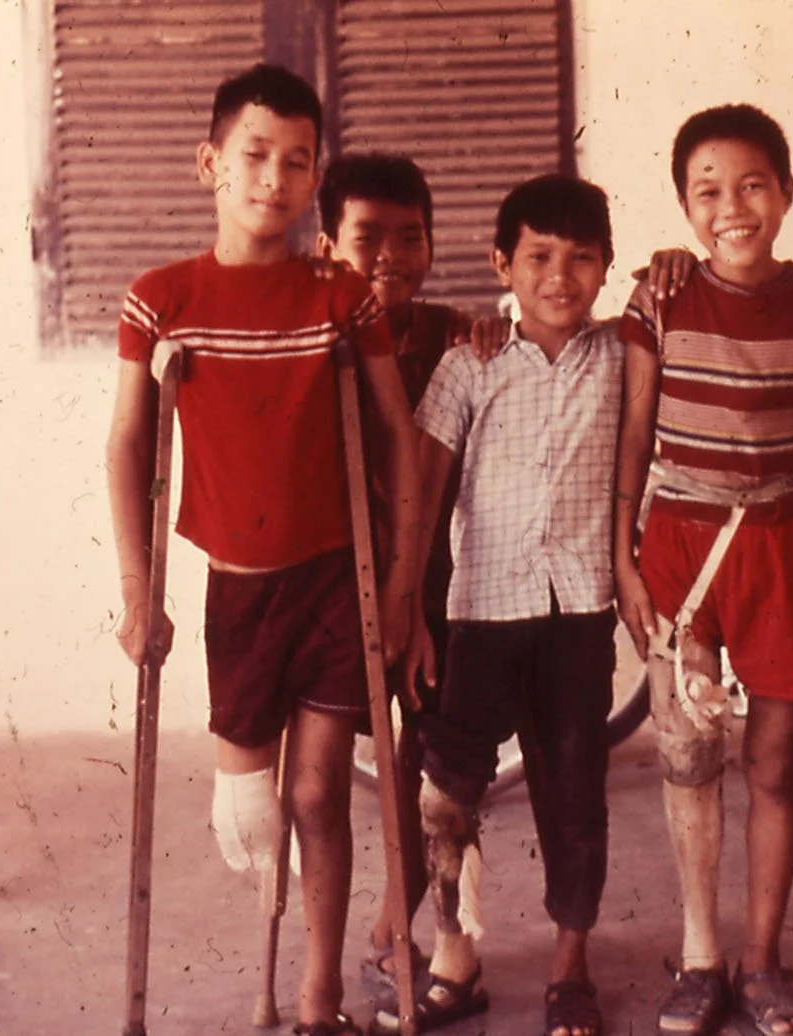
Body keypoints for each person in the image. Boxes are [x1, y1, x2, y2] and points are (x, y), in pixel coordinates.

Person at [104, 64, 421, 1036]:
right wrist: (138, 590)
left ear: (315, 176)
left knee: (319, 793)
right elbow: (129, 444)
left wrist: (400, 587)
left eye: (297, 162)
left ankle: (319, 998)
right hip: (237, 597)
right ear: (210, 162)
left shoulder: (342, 297)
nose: (274, 179)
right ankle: (279, 963)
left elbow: (397, 438)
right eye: (254, 156)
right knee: (249, 819)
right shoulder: (162, 298)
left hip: (334, 584)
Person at [612, 104, 793, 1036]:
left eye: (753, 185)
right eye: (708, 191)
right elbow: (633, 437)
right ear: (685, 208)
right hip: (679, 549)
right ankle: (700, 959)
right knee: (688, 760)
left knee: (774, 762)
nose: (732, 208)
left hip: (784, 547)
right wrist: (624, 562)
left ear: (787, 193)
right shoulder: (661, 299)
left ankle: (761, 960)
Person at [381, 174, 622, 1036]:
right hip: (480, 611)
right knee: (447, 792)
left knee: (575, 792)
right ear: (501, 266)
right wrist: (410, 612)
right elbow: (423, 493)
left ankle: (570, 968)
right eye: (538, 257)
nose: (560, 277)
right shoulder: (469, 364)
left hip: (579, 612)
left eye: (581, 258)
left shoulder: (623, 356)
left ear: (607, 267)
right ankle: (456, 955)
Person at [314, 151, 470, 998]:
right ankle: (347, 932)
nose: (390, 257)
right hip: (339, 573)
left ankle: (412, 912)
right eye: (367, 237)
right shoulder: (314, 328)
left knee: (431, 750)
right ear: (326, 245)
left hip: (439, 574)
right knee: (331, 761)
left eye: (411, 238)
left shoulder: (455, 333)